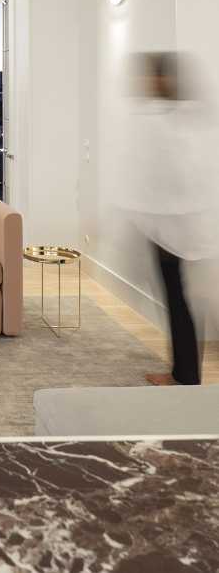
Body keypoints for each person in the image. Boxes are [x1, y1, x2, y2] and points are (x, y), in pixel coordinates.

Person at [125, 52, 217, 386]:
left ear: (164, 79)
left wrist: (157, 225)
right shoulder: (190, 118)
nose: (143, 83)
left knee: (180, 301)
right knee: (187, 301)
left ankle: (185, 375)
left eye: (150, 76)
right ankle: (186, 372)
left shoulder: (166, 122)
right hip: (188, 227)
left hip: (177, 230)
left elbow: (171, 178)